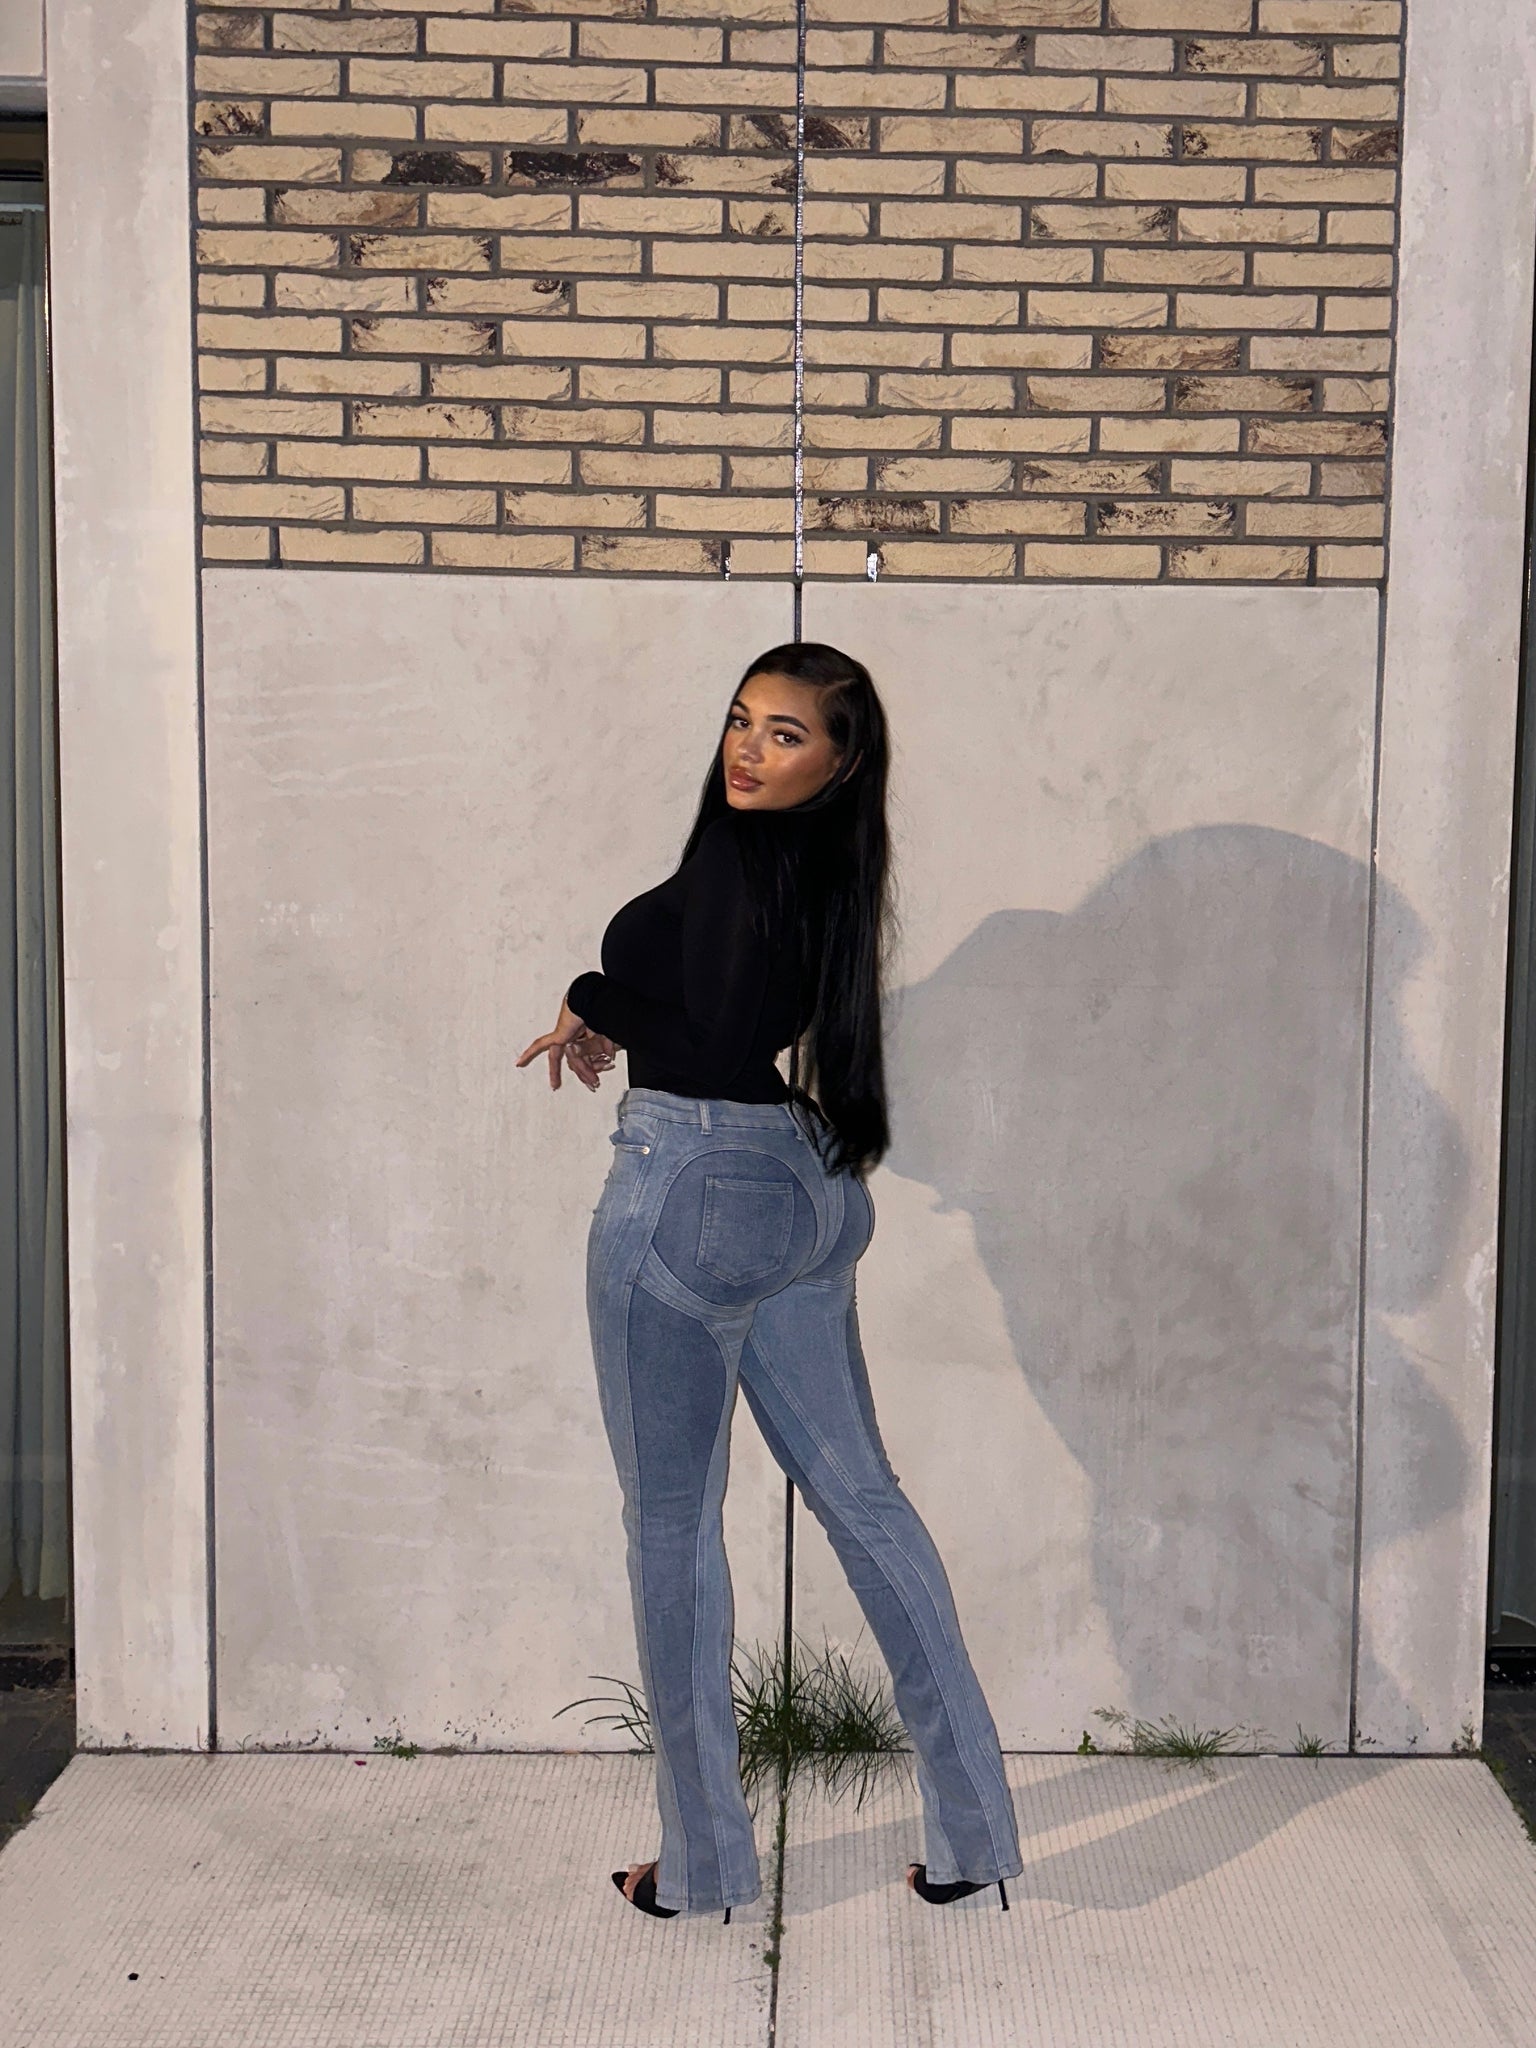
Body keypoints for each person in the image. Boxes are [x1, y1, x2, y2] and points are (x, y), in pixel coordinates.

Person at [516, 642, 1023, 1923]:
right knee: (868, 1503)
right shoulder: (824, 869)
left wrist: (589, 989)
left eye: (786, 733)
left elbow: (714, 1045)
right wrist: (618, 1009)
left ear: (839, 760)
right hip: (802, 1186)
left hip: (691, 1189)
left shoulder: (750, 862)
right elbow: (741, 1027)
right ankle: (974, 1831)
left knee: (672, 1530)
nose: (749, 748)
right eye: (743, 720)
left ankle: (700, 1865)